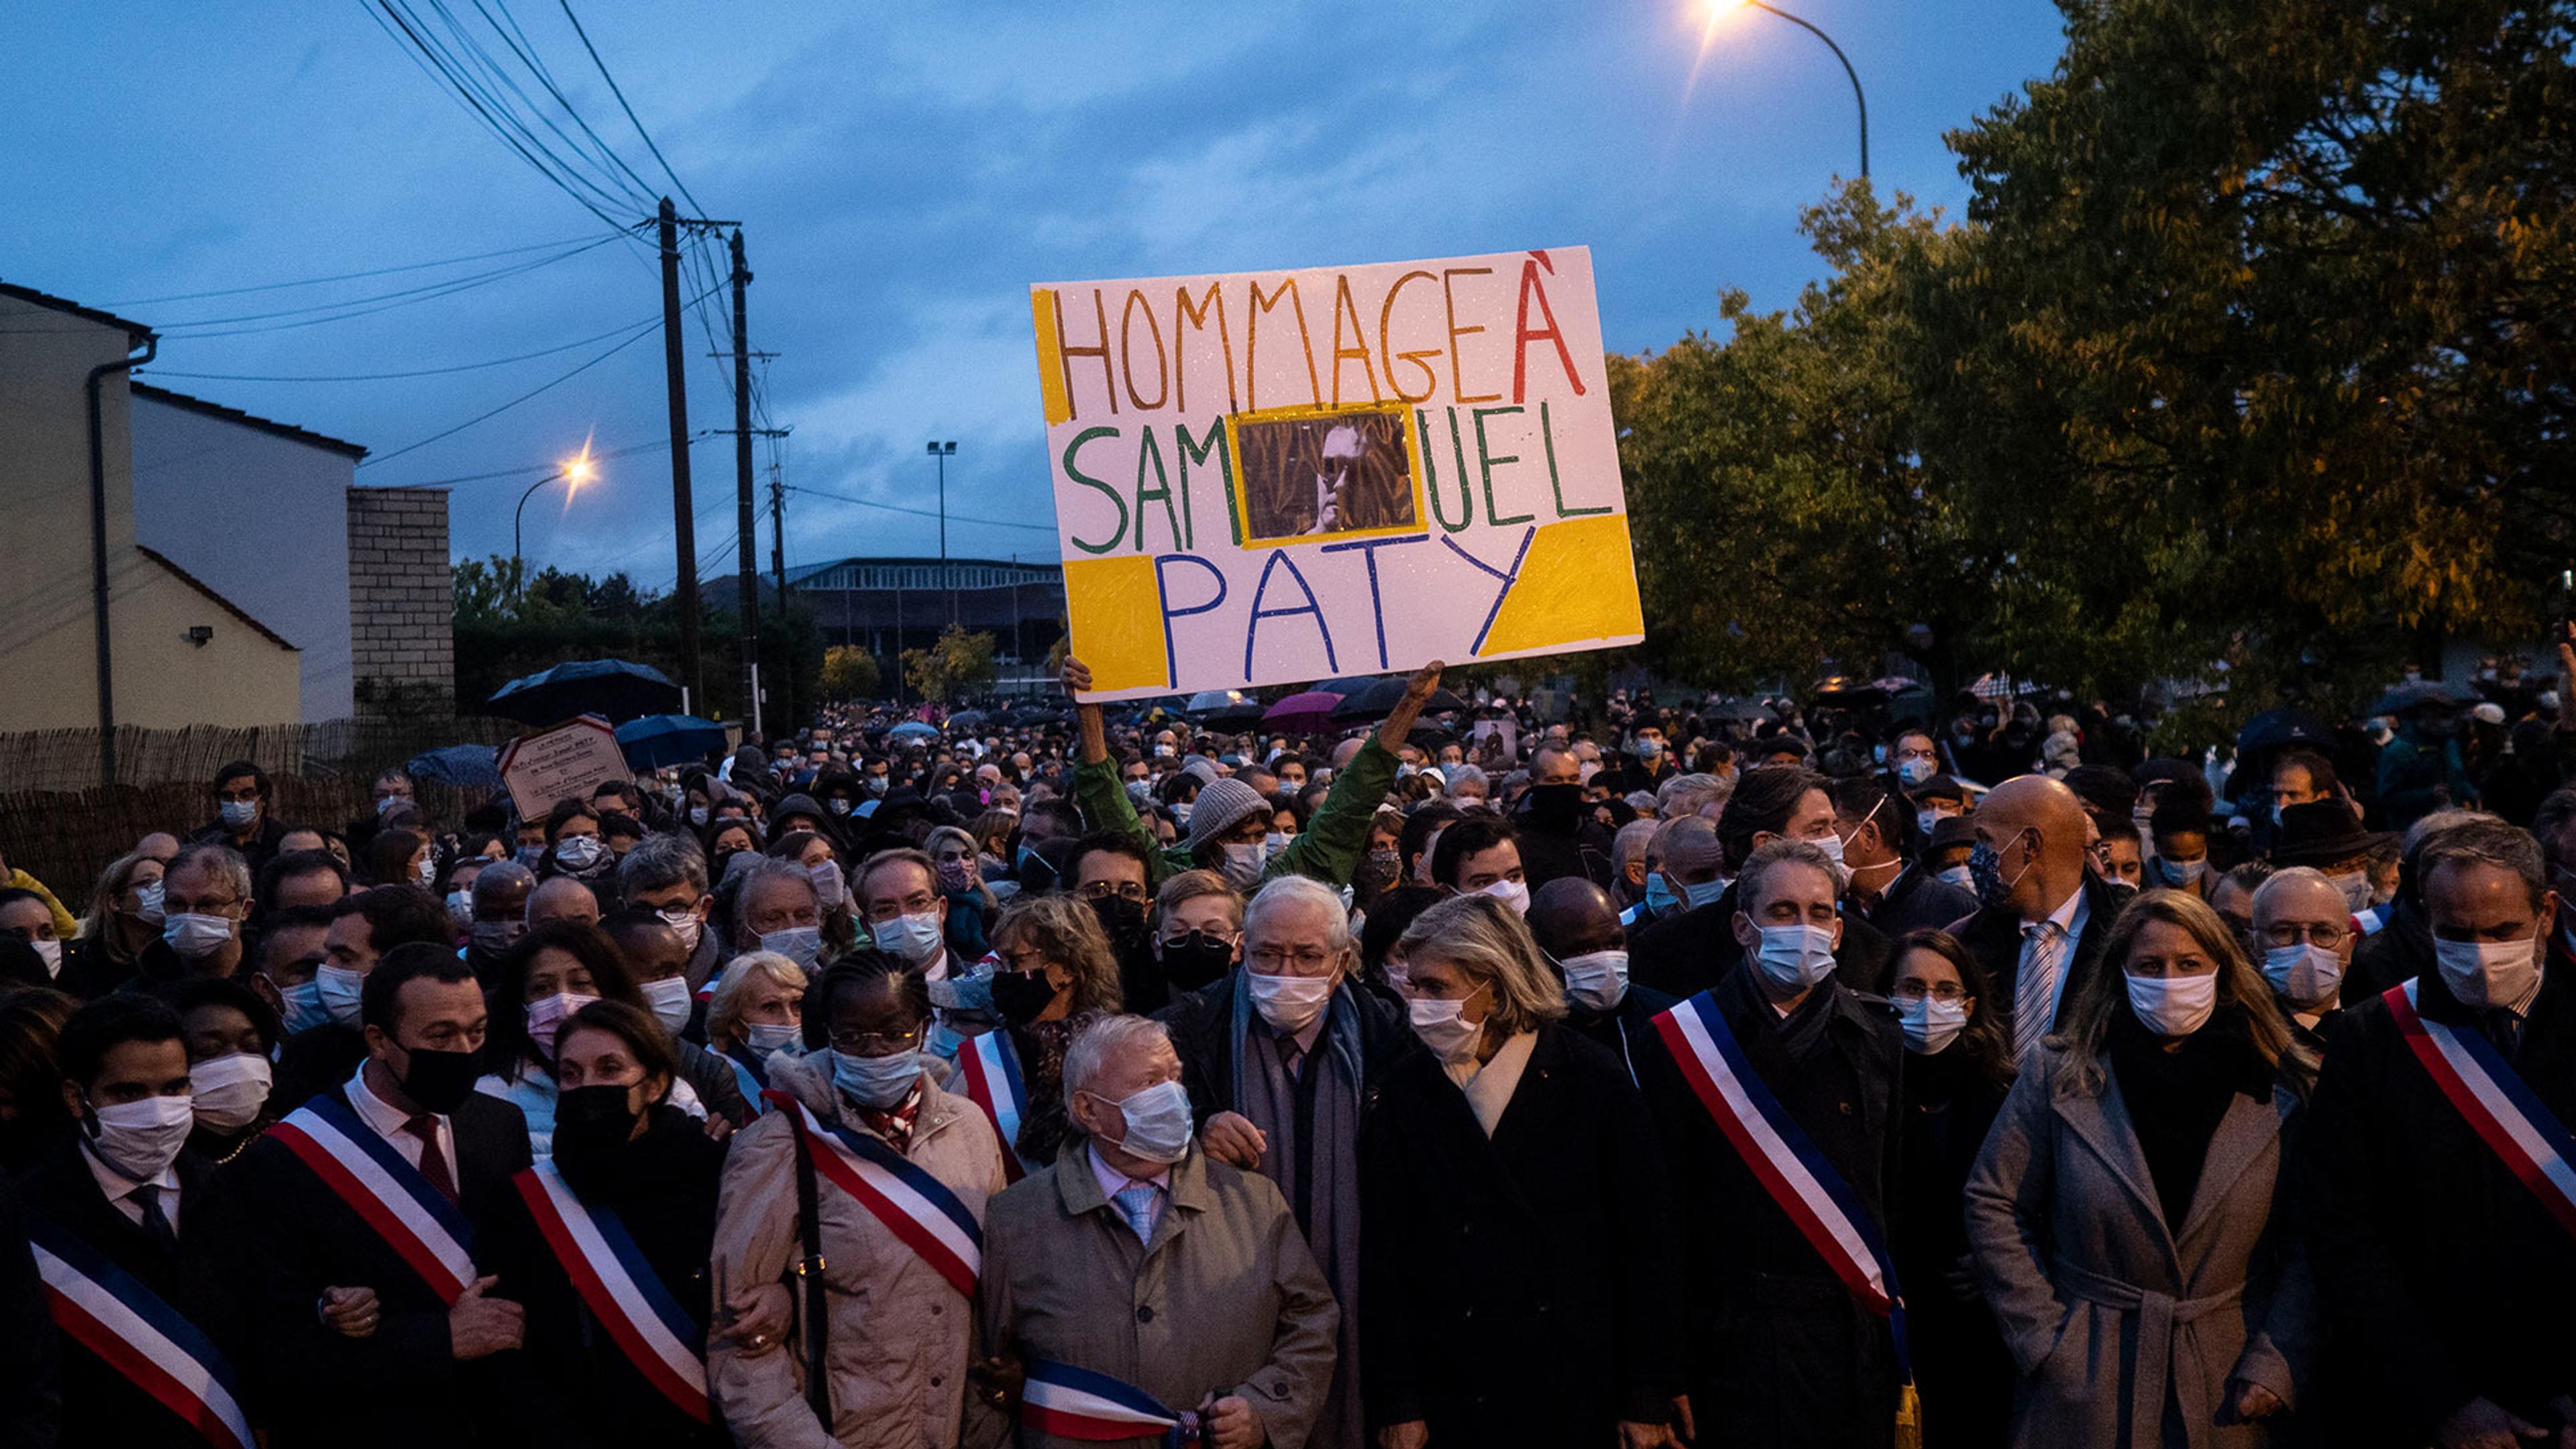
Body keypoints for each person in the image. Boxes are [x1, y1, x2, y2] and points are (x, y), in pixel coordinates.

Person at [1965, 890, 2314, 1448]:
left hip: (2227, 1367)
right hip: (2090, 1364)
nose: (2170, 980)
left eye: (2189, 964)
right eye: (2150, 966)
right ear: (2120, 973)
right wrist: (2045, 1338)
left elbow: (2308, 1238)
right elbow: (1993, 1201)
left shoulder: (2277, 1085)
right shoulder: (2061, 1072)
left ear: (2222, 971)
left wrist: (2277, 1358)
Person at [1365, 892, 1684, 1449]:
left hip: (1574, 1383)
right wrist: (1399, 1398)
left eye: (1436, 987)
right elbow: (1387, 1257)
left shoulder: (1591, 1080)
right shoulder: (1406, 1088)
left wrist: (1648, 1392)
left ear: (1493, 983)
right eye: (1414, 986)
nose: (1418, 1003)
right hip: (1453, 1390)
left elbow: (1647, 1246)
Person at [2297, 818, 2576, 1448]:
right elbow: (2343, 1235)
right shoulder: (2370, 1040)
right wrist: (2440, 1399)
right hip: (2431, 1401)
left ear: (2548, 913)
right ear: (2426, 922)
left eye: (2502, 931)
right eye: (2456, 932)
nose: (2479, 952)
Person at [1635, 839, 1907, 1449]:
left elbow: (1890, 1193)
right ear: (1743, 926)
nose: (1804, 928)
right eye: (1783, 912)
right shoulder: (1680, 1040)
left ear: (1840, 931)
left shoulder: (1878, 1040)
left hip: (1848, 1338)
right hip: (1728, 1342)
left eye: (1820, 913)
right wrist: (1660, 1370)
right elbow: (1656, 1221)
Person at [966, 1013, 1340, 1449]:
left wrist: (1266, 1409)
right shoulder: (1017, 1219)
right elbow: (983, 1370)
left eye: (1175, 1078)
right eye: (1149, 1082)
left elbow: (1313, 1321)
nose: (1172, 1096)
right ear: (1088, 1110)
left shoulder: (1253, 1201)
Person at [229, 941, 542, 1446]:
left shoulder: (499, 1125)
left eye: (477, 1032)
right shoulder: (285, 1158)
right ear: (378, 1040)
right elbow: (274, 1346)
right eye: (440, 1036)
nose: (464, 1052)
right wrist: (437, 1341)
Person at [1153, 873, 1414, 1449]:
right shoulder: (1188, 1030)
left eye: (1307, 957)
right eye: (1269, 955)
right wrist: (1193, 1133)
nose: (1286, 975)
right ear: (1243, 950)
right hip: (1229, 1305)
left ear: (1341, 963)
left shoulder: (1393, 1039)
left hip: (1364, 1304)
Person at [710, 953, 1007, 1447]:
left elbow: (993, 1291)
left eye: (895, 1033)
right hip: (842, 1431)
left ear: (925, 1027)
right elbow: (739, 1337)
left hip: (961, 1426)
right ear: (826, 1035)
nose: (875, 1052)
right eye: (852, 1036)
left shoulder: (970, 1127)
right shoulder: (779, 1143)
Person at [480, 1000, 727, 1445]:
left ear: (653, 1086)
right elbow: (511, 1354)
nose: (587, 1086)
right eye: (571, 1074)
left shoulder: (717, 1178)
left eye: (609, 1069)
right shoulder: (525, 1201)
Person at [16, 994, 250, 1449]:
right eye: (128, 1093)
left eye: (174, 1088)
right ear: (76, 1097)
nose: (158, 1112)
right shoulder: (31, 1215)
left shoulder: (231, 1191)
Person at [1063, 657, 1440, 892]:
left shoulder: (1288, 879)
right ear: (1208, 845)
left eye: (1259, 834)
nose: (1255, 845)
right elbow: (1114, 819)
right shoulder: (1168, 884)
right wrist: (1089, 713)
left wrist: (1411, 703)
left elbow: (1352, 802)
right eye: (1238, 836)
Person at [1884, 930, 2015, 1449]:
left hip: (1978, 1325)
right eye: (1912, 989)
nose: (1928, 1004)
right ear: (1887, 994)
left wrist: (1993, 1263)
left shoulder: (2004, 1092)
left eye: (1945, 991)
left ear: (1969, 1005)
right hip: (1893, 1315)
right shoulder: (1865, 1086)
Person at [1631, 766, 1891, 998]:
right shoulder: (1665, 951)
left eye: (1834, 827)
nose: (1834, 841)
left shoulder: (1871, 951)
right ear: (1765, 844)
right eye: (1818, 829)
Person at [1951, 775, 2133, 1061]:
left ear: (2030, 844)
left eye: (1985, 839)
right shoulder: (1968, 939)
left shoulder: (2131, 931)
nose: (1976, 856)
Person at [957, 895, 1124, 1175]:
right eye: (1001, 963)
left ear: (1067, 969)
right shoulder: (980, 1055)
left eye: (1016, 961)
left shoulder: (1119, 1052)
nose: (1004, 975)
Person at [273, 885, 453, 1113]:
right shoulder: (307, 1055)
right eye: (330, 955)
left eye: (344, 958)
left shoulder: (461, 1054)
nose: (327, 968)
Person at [601, 909, 754, 1126]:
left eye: (680, 971)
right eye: (662, 974)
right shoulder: (577, 1063)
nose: (677, 985)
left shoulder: (709, 1072)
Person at [1527, 875, 1674, 1085]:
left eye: (1615, 944)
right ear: (1541, 956)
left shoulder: (1666, 1019)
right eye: (1585, 949)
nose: (1605, 960)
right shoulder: (1528, 1045)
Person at [855, 847, 994, 1059]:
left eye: (918, 903)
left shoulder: (988, 990)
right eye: (885, 909)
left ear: (942, 910)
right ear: (868, 926)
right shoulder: (851, 1001)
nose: (905, 918)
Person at [1833, 777, 1978, 937]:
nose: (1816, 843)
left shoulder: (1954, 907)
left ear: (1869, 836)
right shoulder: (1831, 910)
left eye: (1828, 829)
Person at [164, 975, 282, 1166]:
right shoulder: (156, 1164)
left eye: (250, 1046)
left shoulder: (287, 1144)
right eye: (209, 1049)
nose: (238, 1062)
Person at [2247, 867, 2355, 1054]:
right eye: (2283, 931)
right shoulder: (2231, 1042)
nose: (2306, 947)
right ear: (2253, 945)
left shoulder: (2375, 1038)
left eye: (2324, 933)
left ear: (2350, 948)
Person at [132, 842, 254, 989]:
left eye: (208, 905)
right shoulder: (140, 993)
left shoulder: (273, 979)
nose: (189, 917)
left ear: (245, 909)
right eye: (177, 904)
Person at [619, 833, 724, 990]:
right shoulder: (603, 977)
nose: (660, 922)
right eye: (643, 910)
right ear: (623, 909)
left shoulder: (733, 980)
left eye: (675, 908)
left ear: (704, 908)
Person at [1511, 742, 1617, 891]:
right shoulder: (1514, 841)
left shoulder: (1596, 835)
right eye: (1555, 780)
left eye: (1573, 779)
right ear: (1533, 783)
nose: (1566, 787)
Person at [61, 849, 164, 997]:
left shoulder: (178, 954)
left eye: (164, 882)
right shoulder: (83, 964)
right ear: (115, 902)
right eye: (147, 883)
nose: (161, 890)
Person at [1150, 869, 1243, 998]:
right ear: (1156, 945)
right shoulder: (1130, 1008)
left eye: (1213, 931)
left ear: (1238, 945)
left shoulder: (1253, 1012)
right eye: (1178, 930)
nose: (1196, 943)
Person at [191, 759, 290, 873]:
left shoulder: (283, 841)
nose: (236, 802)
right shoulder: (199, 842)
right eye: (228, 796)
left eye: (246, 795)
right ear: (218, 802)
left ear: (263, 799)